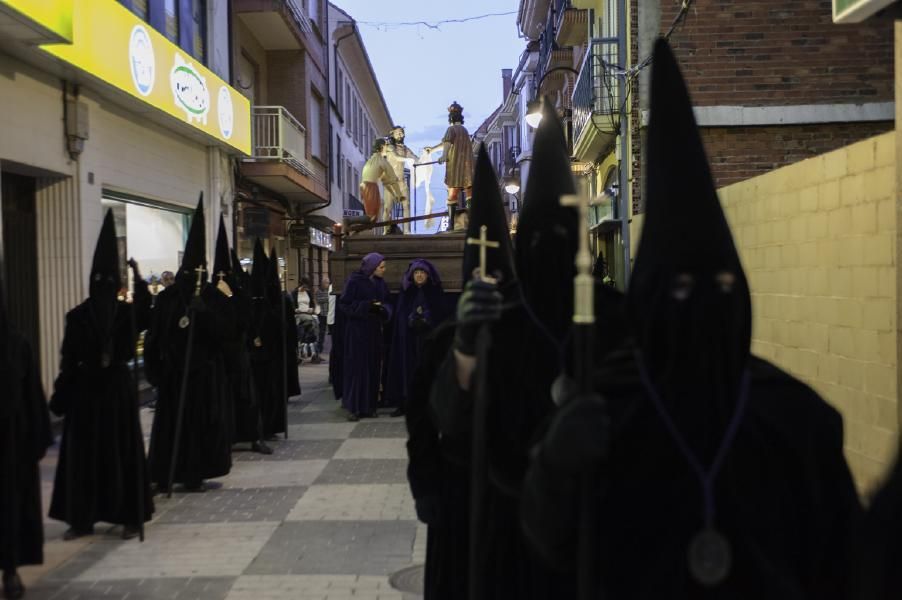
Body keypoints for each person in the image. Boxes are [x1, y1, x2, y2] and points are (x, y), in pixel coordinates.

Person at [520, 39, 861, 599]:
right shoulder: (610, 411)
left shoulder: (797, 419)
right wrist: (556, 468)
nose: (702, 301)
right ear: (651, 296)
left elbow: (842, 560)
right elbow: (552, 542)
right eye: (679, 288)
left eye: (721, 287)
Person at [429, 119, 626, 598]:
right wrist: (466, 349)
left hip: (598, 525)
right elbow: (451, 422)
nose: (552, 251)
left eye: (564, 237)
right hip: (509, 524)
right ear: (523, 246)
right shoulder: (500, 323)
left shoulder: (616, 321)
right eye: (539, 240)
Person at [406, 146, 516, 600]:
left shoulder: (531, 337)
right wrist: (427, 488)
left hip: (513, 503)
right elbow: (421, 425)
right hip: (455, 499)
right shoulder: (442, 342)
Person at [48, 210, 154, 540]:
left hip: (107, 393)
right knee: (96, 455)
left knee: (109, 453)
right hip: (94, 393)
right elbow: (68, 358)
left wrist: (138, 279)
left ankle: (118, 516)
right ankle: (91, 518)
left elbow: (145, 312)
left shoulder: (116, 314)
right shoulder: (84, 315)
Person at [145, 197, 232, 493]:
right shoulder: (168, 298)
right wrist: (157, 371)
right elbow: (156, 335)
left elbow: (223, 335)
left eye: (201, 271)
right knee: (170, 427)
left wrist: (204, 314)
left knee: (198, 427)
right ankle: (164, 473)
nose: (197, 276)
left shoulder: (210, 296)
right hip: (173, 375)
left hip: (202, 378)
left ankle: (195, 472)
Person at [0, 271, 53, 600]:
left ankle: (10, 568)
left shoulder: (15, 343)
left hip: (9, 444)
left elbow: (31, 394)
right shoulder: (16, 341)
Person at [208, 218, 272, 456]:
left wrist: (231, 297)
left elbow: (245, 319)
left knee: (247, 398)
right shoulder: (207, 296)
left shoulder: (240, 295)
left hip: (238, 354)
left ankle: (254, 436)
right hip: (217, 358)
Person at [385, 259, 450, 417]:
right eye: (416, 273)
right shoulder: (406, 292)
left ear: (428, 275)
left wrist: (428, 320)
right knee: (408, 371)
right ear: (412, 275)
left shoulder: (434, 292)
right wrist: (411, 320)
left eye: (422, 273)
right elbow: (400, 315)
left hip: (428, 339)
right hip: (409, 340)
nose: (419, 275)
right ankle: (405, 403)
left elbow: (441, 315)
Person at [338, 253, 391, 421]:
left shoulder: (381, 284)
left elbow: (386, 303)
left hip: (373, 331)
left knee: (372, 367)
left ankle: (369, 406)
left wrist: (383, 310)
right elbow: (345, 304)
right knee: (357, 369)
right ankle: (354, 407)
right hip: (357, 331)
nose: (384, 270)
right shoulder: (354, 281)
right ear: (371, 267)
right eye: (381, 267)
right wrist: (366, 306)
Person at [425, 101, 473, 223]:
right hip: (467, 166)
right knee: (469, 193)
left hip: (455, 166)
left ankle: (451, 224)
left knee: (452, 194)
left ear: (450, 117)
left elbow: (447, 143)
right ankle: (471, 223)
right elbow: (447, 142)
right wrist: (433, 149)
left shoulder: (451, 129)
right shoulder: (464, 130)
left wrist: (444, 156)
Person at [360, 139, 404, 224]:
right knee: (372, 217)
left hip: (365, 186)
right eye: (386, 145)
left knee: (373, 216)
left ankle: (356, 226)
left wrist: (394, 195)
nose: (387, 148)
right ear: (381, 147)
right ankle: (349, 221)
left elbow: (386, 181)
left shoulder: (371, 161)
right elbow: (393, 180)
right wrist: (399, 195)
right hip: (371, 186)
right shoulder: (382, 161)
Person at [383, 126, 418, 233]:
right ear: (392, 134)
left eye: (402, 133)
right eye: (398, 133)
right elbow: (396, 157)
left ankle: (406, 230)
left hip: (402, 181)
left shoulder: (405, 149)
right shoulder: (389, 147)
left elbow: (416, 159)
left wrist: (425, 157)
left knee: (406, 206)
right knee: (387, 207)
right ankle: (386, 230)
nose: (400, 135)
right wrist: (408, 159)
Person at [294, 278, 319, 362]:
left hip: (308, 314)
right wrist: (296, 309)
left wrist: (311, 309)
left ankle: (306, 348)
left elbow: (312, 304)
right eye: (304, 286)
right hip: (298, 315)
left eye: (306, 287)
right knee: (311, 324)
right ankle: (312, 352)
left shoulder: (308, 292)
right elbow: (292, 305)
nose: (305, 288)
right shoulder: (295, 293)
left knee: (311, 326)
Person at [314, 277, 331, 363]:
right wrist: (328, 298)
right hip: (321, 315)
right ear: (322, 283)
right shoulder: (319, 291)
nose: (327, 285)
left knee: (324, 334)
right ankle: (317, 353)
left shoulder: (327, 291)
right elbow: (318, 300)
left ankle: (319, 352)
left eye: (328, 283)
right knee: (320, 333)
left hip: (327, 314)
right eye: (326, 283)